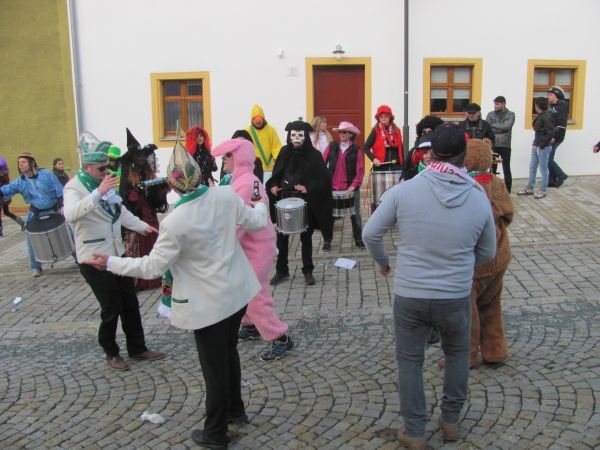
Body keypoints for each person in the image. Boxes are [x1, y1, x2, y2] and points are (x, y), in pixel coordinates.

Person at [84, 139, 269, 448]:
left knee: (215, 368)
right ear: (199, 175)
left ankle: (215, 433)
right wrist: (261, 202)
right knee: (228, 353)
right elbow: (256, 221)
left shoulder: (175, 221)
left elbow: (152, 267)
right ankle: (235, 410)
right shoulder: (225, 196)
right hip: (237, 294)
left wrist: (111, 262)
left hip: (209, 306)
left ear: (172, 185)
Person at [362, 123, 496, 449]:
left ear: (430, 153)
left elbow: (370, 233)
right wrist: (461, 264)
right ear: (464, 156)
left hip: (411, 293)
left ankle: (414, 430)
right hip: (455, 294)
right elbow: (488, 252)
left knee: (410, 361)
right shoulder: (478, 197)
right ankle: (450, 421)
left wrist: (383, 262)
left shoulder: (404, 191)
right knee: (457, 354)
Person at [64, 132, 164, 371]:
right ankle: (111, 352)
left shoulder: (106, 185)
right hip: (93, 258)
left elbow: (120, 212)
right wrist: (97, 193)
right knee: (111, 306)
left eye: (107, 167)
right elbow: (70, 214)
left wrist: (143, 227)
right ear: (86, 167)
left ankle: (137, 348)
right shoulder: (74, 188)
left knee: (130, 303)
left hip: (116, 254)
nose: (106, 171)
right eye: (101, 169)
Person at [212, 138, 294, 361]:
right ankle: (250, 325)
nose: (223, 159)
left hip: (256, 248)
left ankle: (280, 337)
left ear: (240, 158)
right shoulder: (243, 180)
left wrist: (221, 247)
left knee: (255, 294)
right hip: (252, 246)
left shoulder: (245, 183)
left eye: (228, 155)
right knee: (243, 288)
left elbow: (239, 221)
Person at [266, 120, 333, 285]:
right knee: (282, 238)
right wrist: (274, 185)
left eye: (300, 135)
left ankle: (308, 270)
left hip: (305, 201)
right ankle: (281, 271)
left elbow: (323, 180)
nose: (296, 138)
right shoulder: (284, 152)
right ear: (289, 136)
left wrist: (308, 187)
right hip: (284, 199)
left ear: (305, 137)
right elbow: (276, 174)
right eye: (293, 135)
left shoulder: (314, 155)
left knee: (306, 237)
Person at [119, 128, 169, 290]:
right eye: (138, 157)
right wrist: (135, 194)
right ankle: (139, 279)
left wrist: (161, 189)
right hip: (136, 214)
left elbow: (155, 197)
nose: (141, 159)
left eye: (143, 157)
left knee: (153, 240)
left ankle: (155, 275)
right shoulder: (127, 174)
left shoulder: (148, 173)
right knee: (138, 244)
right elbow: (124, 195)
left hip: (149, 213)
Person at [0, 152, 64, 276]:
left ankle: (78, 258)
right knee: (30, 237)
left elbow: (59, 191)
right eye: (19, 163)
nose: (20, 165)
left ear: (32, 163)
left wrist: (62, 206)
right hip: (36, 212)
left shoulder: (46, 174)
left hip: (54, 209)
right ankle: (36, 267)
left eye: (23, 162)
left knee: (68, 233)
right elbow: (5, 190)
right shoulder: (20, 182)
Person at [323, 121, 365, 248]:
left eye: (344, 132)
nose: (341, 134)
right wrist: (324, 181)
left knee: (355, 214)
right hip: (333, 187)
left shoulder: (356, 150)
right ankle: (327, 241)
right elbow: (321, 163)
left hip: (350, 188)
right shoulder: (332, 146)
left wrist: (353, 186)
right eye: (340, 132)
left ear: (351, 134)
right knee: (329, 215)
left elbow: (360, 171)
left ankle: (358, 239)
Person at [517, 97, 554, 199]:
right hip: (536, 144)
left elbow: (550, 132)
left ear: (537, 106)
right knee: (532, 167)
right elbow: (537, 128)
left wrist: (542, 144)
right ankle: (530, 187)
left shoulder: (546, 116)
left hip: (543, 146)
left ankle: (543, 190)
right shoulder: (541, 116)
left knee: (543, 169)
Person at [246, 104, 283, 183]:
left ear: (263, 118)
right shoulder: (247, 132)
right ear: (252, 120)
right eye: (255, 120)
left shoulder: (271, 130)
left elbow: (276, 147)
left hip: (269, 169)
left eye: (259, 120)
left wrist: (277, 158)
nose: (258, 122)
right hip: (254, 169)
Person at [486, 96, 515, 192]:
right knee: (492, 167)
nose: (495, 106)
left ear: (503, 104)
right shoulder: (490, 114)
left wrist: (493, 125)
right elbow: (488, 128)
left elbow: (507, 126)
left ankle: (508, 189)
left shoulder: (510, 114)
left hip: (505, 145)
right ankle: (492, 188)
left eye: (497, 104)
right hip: (494, 145)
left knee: (506, 167)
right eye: (494, 104)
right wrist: (501, 129)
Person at [363, 105, 403, 172]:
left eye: (386, 116)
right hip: (380, 167)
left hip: (396, 167)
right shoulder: (375, 131)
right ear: (378, 118)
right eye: (381, 117)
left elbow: (401, 149)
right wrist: (374, 159)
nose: (383, 118)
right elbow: (365, 148)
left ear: (390, 117)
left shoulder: (397, 130)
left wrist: (403, 166)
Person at [547, 86, 569, 187]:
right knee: (549, 157)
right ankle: (551, 180)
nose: (548, 96)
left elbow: (561, 123)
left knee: (548, 158)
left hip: (556, 136)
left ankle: (561, 175)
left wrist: (554, 137)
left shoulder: (562, 106)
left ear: (557, 95)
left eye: (551, 95)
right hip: (551, 134)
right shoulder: (554, 106)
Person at [0, 156, 25, 236]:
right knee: (6, 212)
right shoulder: (5, 174)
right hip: (6, 197)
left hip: (1, 197)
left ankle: (0, 230)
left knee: (4, 212)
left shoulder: (2, 176)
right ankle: (21, 222)